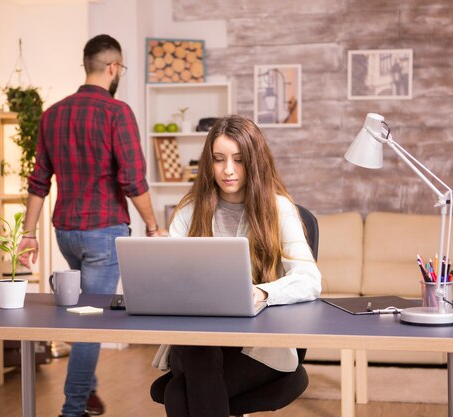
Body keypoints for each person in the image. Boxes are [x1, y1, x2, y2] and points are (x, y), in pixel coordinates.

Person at [17, 34, 164, 417]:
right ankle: (74, 408)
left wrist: (27, 234)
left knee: (85, 308)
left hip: (66, 232)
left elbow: (39, 180)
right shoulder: (117, 113)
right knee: (92, 322)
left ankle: (89, 390)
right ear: (113, 67)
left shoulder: (53, 114)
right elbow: (133, 179)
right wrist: (152, 226)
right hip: (103, 230)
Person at [151, 115, 321, 417]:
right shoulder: (191, 209)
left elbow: (309, 279)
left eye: (238, 160)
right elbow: (164, 274)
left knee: (179, 393)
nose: (228, 170)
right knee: (200, 350)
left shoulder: (278, 208)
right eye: (218, 159)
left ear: (254, 162)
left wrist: (262, 293)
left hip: (254, 346)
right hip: (196, 341)